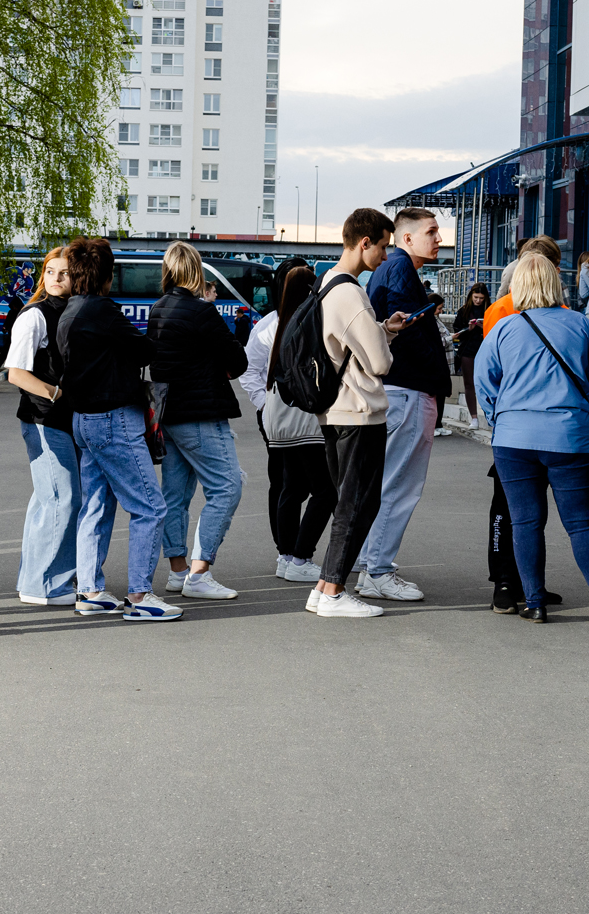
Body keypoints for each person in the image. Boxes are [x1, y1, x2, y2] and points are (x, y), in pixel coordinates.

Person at [476, 249, 589, 624]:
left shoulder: (503, 329)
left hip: (514, 439)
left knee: (525, 522)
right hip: (569, 437)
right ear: (554, 283)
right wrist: (585, 405)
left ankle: (535, 602)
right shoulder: (580, 324)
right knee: (582, 523)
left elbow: (484, 384)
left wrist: (503, 417)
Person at [57, 236, 182, 621]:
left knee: (96, 505)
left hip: (83, 420)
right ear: (106, 275)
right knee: (149, 507)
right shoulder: (104, 310)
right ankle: (141, 597)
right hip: (113, 418)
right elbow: (144, 350)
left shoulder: (69, 311)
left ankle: (90, 590)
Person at [307, 209, 413, 619]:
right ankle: (333, 591)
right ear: (364, 242)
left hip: (334, 410)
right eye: (384, 246)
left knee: (346, 502)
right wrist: (383, 340)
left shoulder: (326, 284)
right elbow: (380, 363)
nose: (386, 256)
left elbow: (349, 343)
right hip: (359, 412)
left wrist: (381, 327)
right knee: (358, 505)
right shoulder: (351, 293)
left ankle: (324, 587)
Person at [356, 206, 448, 600]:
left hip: (401, 390)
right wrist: (432, 364)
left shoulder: (390, 269)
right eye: (432, 231)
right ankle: (375, 569)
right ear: (406, 238)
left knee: (387, 483)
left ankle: (370, 564)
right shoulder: (399, 270)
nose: (439, 238)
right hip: (407, 391)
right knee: (398, 486)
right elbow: (404, 329)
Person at [148, 242, 247, 601]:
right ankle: (201, 571)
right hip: (201, 413)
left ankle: (178, 571)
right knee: (227, 487)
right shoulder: (202, 311)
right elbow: (237, 359)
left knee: (175, 495)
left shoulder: (159, 309)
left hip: (169, 413)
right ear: (196, 271)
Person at [241, 258, 336, 583]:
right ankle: (297, 555)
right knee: (322, 490)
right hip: (300, 419)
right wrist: (263, 405)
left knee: (289, 487)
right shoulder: (302, 323)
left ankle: (287, 555)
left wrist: (267, 407)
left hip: (278, 419)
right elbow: (250, 372)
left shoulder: (277, 324)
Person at [4, 246, 82, 605]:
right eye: (50, 271)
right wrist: (55, 393)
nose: (55, 278)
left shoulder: (70, 310)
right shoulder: (34, 315)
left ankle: (35, 581)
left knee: (49, 500)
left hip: (62, 420)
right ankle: (45, 584)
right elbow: (16, 373)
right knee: (62, 499)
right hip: (43, 420)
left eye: (63, 273)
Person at [453, 283, 493, 414]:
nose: (478, 300)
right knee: (469, 383)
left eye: (481, 298)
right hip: (468, 348)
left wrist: (483, 327)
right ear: (471, 296)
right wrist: (468, 329)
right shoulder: (464, 311)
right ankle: (474, 416)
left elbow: (495, 331)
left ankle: (488, 412)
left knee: (487, 382)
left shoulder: (490, 310)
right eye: (476, 297)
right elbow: (457, 331)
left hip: (485, 349)